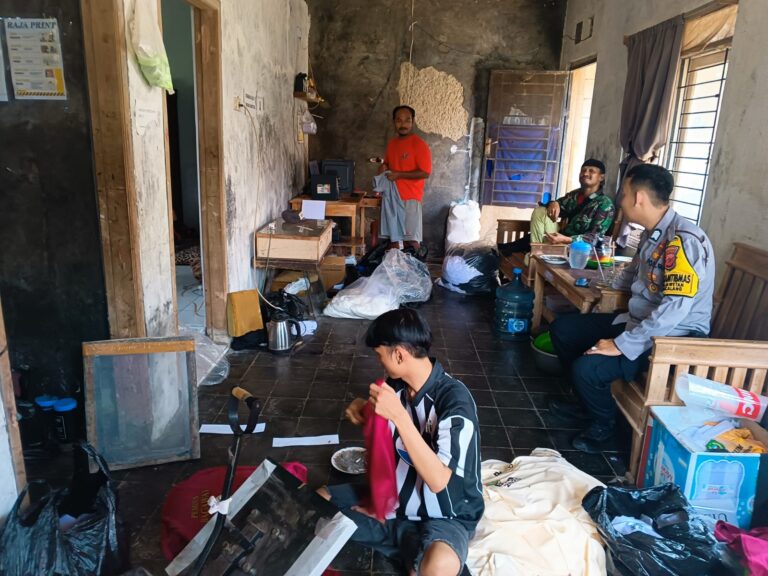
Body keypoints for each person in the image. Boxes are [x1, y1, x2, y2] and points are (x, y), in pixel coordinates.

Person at [548, 164, 715, 453]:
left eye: (623, 194)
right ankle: (585, 403)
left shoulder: (682, 241)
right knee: (564, 329)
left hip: (673, 339)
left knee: (588, 367)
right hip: (640, 321)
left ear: (638, 198)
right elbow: (632, 275)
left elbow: (675, 309)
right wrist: (598, 285)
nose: (620, 201)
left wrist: (621, 344)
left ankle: (603, 426)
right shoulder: (653, 234)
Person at [318, 309, 483, 576]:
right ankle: (408, 548)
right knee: (317, 502)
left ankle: (409, 547)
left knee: (440, 563)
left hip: (445, 514)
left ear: (398, 355)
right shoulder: (395, 387)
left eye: (379, 355)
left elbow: (440, 481)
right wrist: (365, 409)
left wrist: (399, 417)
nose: (379, 362)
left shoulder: (455, 401)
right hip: (397, 499)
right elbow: (383, 424)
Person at [498, 158, 615, 255]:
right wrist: (554, 203)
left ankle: (530, 252)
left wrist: (567, 239)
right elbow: (554, 208)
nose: (585, 173)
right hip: (558, 239)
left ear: (601, 177)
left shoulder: (605, 204)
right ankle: (536, 252)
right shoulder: (575, 195)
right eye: (583, 170)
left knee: (525, 242)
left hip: (577, 249)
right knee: (540, 211)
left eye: (591, 171)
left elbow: (594, 238)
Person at [376, 105, 432, 257]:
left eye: (407, 120)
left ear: (413, 121)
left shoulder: (419, 144)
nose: (403, 124)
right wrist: (383, 167)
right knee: (392, 241)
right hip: (391, 199)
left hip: (410, 198)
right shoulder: (392, 144)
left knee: (411, 241)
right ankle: (395, 270)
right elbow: (388, 165)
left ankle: (416, 270)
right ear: (394, 122)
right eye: (399, 120)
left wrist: (399, 175)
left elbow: (425, 173)